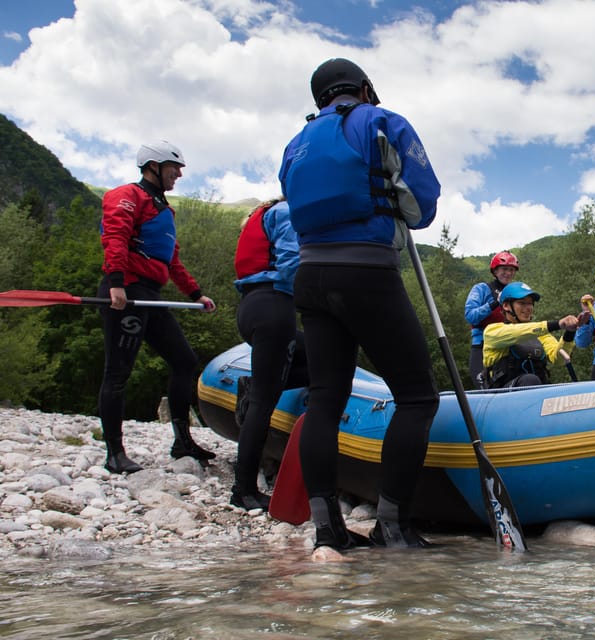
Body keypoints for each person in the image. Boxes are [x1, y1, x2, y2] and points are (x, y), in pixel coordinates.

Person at [279, 57, 441, 552]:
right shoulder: (383, 120)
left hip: (310, 277)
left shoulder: (295, 145)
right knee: (417, 398)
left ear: (320, 100)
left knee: (326, 398)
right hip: (366, 272)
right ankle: (393, 526)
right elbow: (424, 204)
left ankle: (327, 529)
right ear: (364, 87)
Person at [97, 140, 216, 474]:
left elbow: (170, 259)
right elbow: (115, 237)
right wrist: (117, 282)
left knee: (185, 360)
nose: (178, 174)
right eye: (173, 168)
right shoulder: (127, 195)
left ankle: (182, 441)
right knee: (117, 372)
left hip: (150, 293)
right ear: (153, 166)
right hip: (126, 292)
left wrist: (196, 294)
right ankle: (114, 453)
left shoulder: (163, 208)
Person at [231, 198, 309, 510]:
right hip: (274, 308)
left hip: (252, 308)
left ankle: (254, 388)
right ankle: (244, 489)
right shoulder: (287, 211)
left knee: (317, 359)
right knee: (264, 403)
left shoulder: (260, 217)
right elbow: (292, 265)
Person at [483, 282, 579, 388]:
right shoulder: (492, 331)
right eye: (522, 303)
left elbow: (559, 359)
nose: (528, 308)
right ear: (506, 306)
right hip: (503, 396)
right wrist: (558, 324)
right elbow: (517, 332)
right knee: (529, 380)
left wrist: (570, 332)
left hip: (535, 393)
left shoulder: (541, 335)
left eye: (530, 303)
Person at [464, 251, 519, 388]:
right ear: (495, 271)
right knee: (486, 391)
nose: (508, 273)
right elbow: (470, 315)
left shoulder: (515, 293)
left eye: (511, 270)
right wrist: (495, 303)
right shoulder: (482, 289)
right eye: (504, 269)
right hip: (482, 347)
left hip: (507, 349)